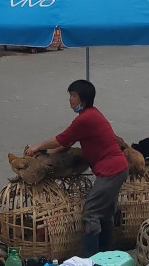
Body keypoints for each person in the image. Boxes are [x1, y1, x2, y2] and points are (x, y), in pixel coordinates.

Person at [24, 80, 128, 257]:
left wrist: (36, 146)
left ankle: (91, 258)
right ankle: (105, 255)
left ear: (84, 99)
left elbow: (62, 139)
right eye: (70, 95)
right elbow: (67, 143)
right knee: (105, 213)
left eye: (73, 96)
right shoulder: (89, 115)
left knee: (91, 212)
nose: (70, 100)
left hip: (111, 171)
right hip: (117, 168)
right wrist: (46, 153)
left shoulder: (86, 118)